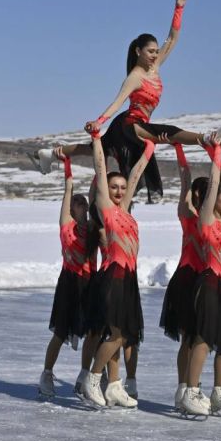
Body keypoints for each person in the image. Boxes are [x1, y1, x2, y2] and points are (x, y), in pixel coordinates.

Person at [33, 0, 221, 200]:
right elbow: (118, 101)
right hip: (128, 125)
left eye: (156, 51)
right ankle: (207, 138)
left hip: (137, 123)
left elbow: (173, 38)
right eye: (151, 51)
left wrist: (179, 7)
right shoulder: (135, 77)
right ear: (138, 51)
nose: (155, 55)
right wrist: (99, 121)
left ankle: (49, 154)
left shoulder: (155, 66)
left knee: (95, 149)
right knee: (167, 131)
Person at [77, 131, 153, 409]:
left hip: (128, 278)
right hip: (114, 277)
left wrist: (149, 150)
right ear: (104, 191)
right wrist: (98, 140)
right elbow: (100, 166)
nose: (120, 191)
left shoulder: (127, 212)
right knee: (117, 334)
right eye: (114, 187)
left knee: (124, 334)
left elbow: (135, 176)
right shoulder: (106, 209)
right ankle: (93, 379)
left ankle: (115, 385)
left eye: (122, 187)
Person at [180, 141, 221, 417]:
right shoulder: (207, 219)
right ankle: (191, 391)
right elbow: (214, 192)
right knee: (204, 338)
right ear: (212, 199)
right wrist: (216, 155)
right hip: (209, 282)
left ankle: (219, 392)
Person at [37, 155, 95, 399]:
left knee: (92, 331)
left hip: (90, 282)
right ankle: (47, 374)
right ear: (71, 208)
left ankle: (84, 376)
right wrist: (67, 163)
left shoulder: (93, 227)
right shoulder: (66, 225)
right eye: (77, 202)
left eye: (84, 202)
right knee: (60, 332)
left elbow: (97, 190)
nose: (82, 204)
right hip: (69, 282)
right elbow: (68, 186)